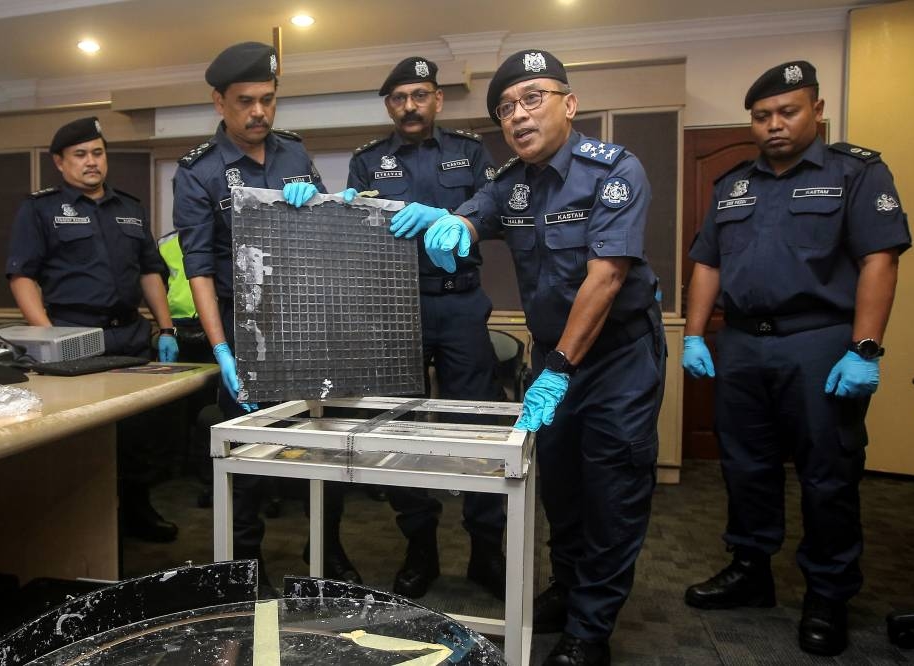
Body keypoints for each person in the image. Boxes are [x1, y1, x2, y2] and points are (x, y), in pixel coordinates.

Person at [423, 49, 666, 666]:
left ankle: (591, 630)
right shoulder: (511, 183)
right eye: (506, 107)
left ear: (569, 103)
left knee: (611, 487)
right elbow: (476, 213)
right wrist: (454, 224)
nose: (518, 115)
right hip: (555, 361)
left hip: (616, 359)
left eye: (533, 97)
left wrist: (557, 369)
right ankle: (568, 587)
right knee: (559, 485)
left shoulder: (614, 170)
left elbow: (606, 278)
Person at [681, 60, 911, 657]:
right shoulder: (732, 184)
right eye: (762, 116)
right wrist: (696, 334)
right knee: (745, 466)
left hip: (819, 342)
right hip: (743, 345)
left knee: (827, 474)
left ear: (817, 111)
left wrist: (864, 348)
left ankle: (829, 592)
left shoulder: (856, 172)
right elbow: (707, 261)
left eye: (788, 111)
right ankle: (751, 570)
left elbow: (879, 260)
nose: (774, 125)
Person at [172, 41, 359, 593]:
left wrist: (323, 205)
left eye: (268, 100)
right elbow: (199, 268)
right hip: (243, 321)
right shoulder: (198, 172)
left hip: (306, 318)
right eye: (246, 101)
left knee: (325, 444)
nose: (259, 112)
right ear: (219, 102)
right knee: (248, 454)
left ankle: (326, 549)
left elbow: (330, 234)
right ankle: (244, 565)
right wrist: (222, 350)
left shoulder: (295, 155)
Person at [343, 56, 506, 601]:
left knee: (478, 428)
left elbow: (490, 216)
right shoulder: (368, 161)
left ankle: (488, 550)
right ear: (388, 105)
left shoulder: (470, 152)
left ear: (437, 99)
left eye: (419, 95)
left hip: (460, 306)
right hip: (394, 311)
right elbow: (358, 232)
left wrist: (440, 217)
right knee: (400, 432)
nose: (409, 106)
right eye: (398, 98)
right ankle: (421, 547)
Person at [7, 116, 181, 544]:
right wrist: (47, 337)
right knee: (86, 436)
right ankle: (86, 525)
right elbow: (21, 276)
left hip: (131, 336)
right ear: (60, 163)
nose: (91, 162)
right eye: (80, 155)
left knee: (140, 435)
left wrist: (166, 328)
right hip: (75, 337)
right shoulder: (40, 209)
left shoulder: (130, 208)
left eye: (98, 153)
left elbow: (150, 272)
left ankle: (137, 511)